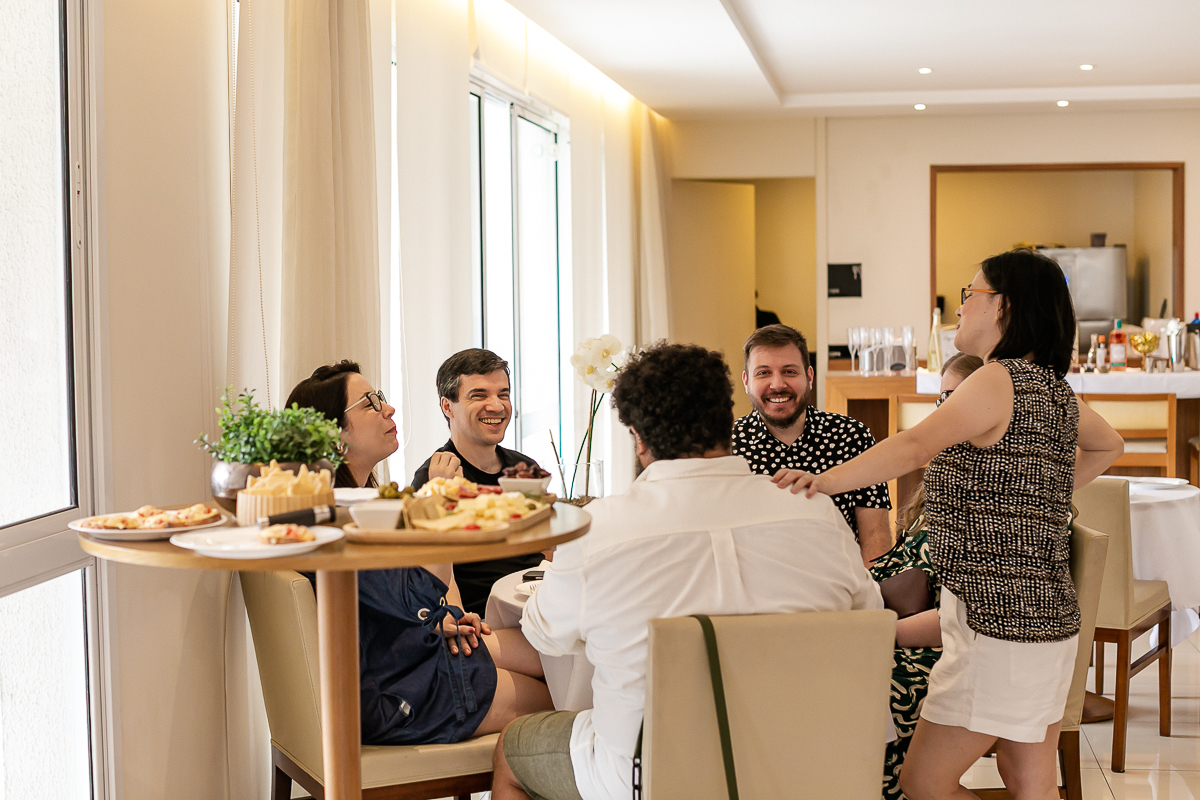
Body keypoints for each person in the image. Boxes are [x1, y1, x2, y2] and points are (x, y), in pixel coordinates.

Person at [775, 249, 1124, 800]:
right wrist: (1032, 495)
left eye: (970, 294)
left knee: (925, 782)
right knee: (1029, 784)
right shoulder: (1051, 387)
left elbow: (914, 445)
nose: (960, 308)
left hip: (998, 627)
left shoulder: (996, 379)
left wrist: (822, 480)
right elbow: (1110, 445)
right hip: (1044, 621)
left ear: (1003, 306)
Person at [490, 342, 885, 800]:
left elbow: (545, 636)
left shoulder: (597, 530)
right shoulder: (815, 512)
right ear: (728, 419)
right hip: (804, 767)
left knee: (512, 748)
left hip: (652, 776)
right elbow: (866, 614)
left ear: (638, 436)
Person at [285, 361, 552, 746]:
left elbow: (400, 604)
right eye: (370, 403)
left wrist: (444, 617)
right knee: (558, 696)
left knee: (556, 654)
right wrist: (439, 497)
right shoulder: (335, 524)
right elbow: (418, 597)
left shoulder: (358, 508)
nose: (388, 408)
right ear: (333, 435)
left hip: (405, 657)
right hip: (398, 691)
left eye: (381, 397)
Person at [872, 352, 982, 800]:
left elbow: (957, 619)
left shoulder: (993, 495)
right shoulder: (947, 477)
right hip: (901, 630)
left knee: (858, 683)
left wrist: (877, 633)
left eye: (955, 399)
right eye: (941, 399)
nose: (943, 413)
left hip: (938, 649)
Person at [733, 324, 893, 563]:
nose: (777, 384)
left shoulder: (851, 436)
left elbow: (875, 539)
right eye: (763, 373)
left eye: (789, 372)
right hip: (755, 594)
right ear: (746, 381)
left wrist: (869, 598)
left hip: (839, 592)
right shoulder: (728, 446)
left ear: (809, 376)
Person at [410, 349, 547, 615]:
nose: (496, 406)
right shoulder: (434, 478)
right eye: (479, 395)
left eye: (503, 394)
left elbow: (546, 547)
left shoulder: (524, 469)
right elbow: (434, 575)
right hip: (484, 618)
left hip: (539, 604)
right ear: (447, 406)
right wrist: (459, 619)